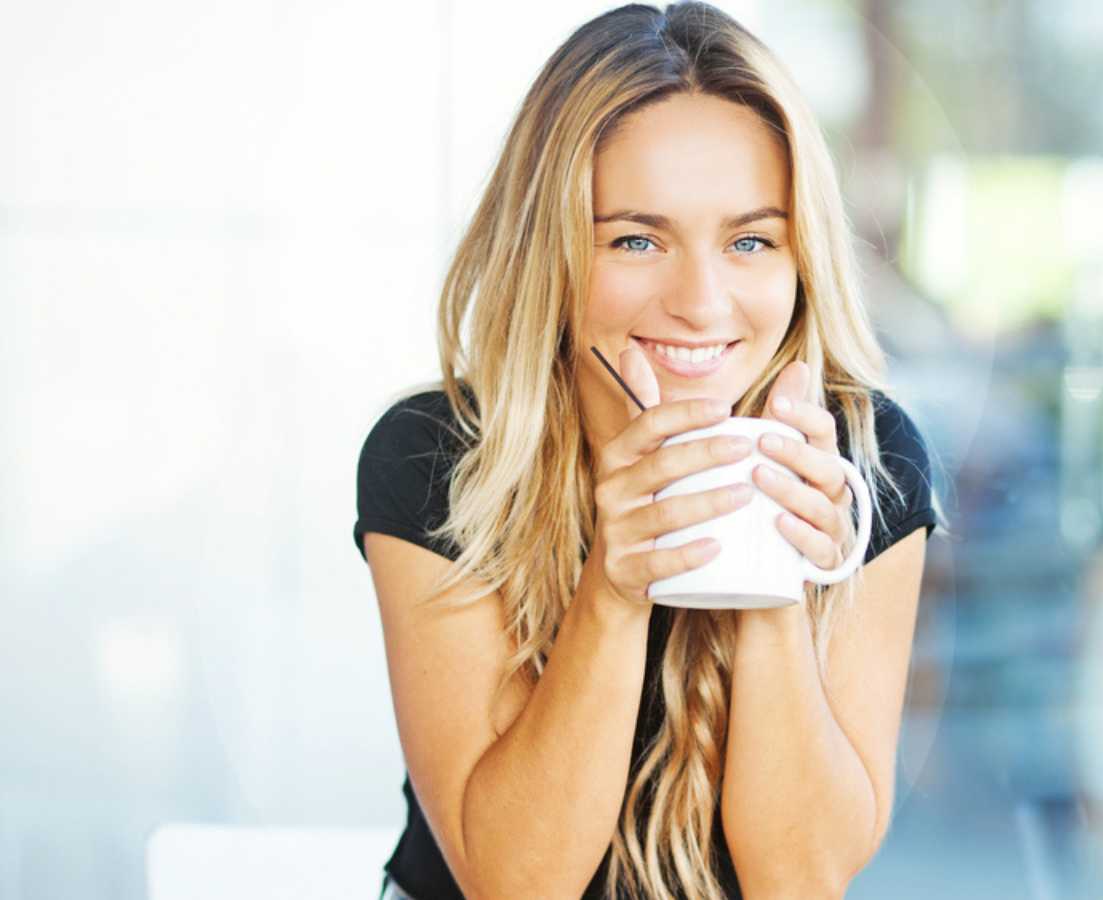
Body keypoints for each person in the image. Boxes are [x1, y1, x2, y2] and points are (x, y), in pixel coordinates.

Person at [353, 3, 944, 898]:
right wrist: (614, 586)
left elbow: (801, 881)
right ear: (548, 251)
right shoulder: (437, 459)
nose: (701, 302)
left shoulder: (867, 458)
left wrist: (772, 569)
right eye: (636, 238)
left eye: (750, 240)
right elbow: (516, 884)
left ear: (802, 258)